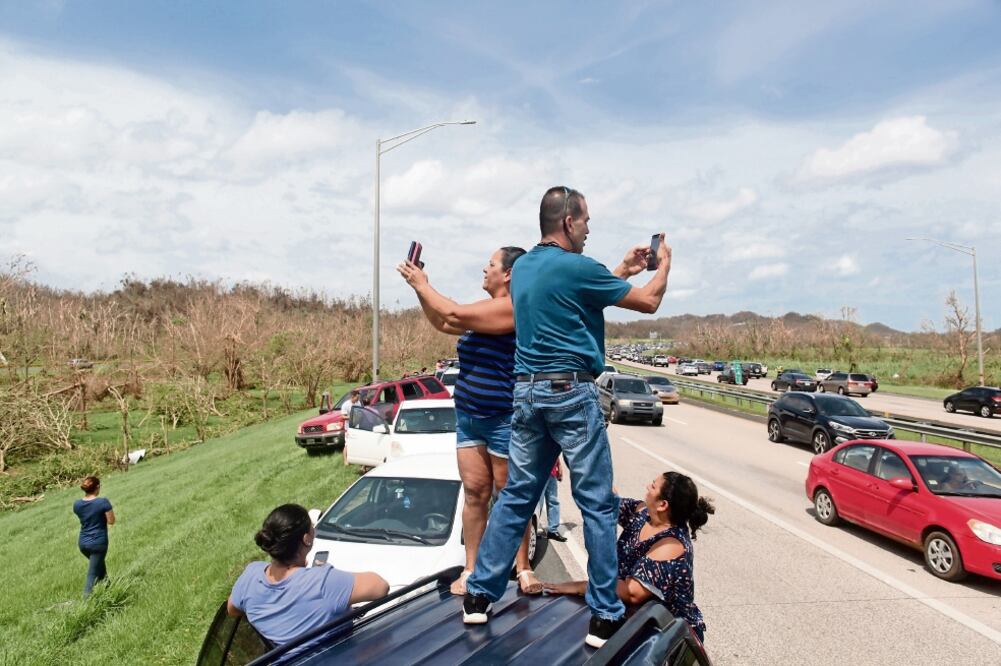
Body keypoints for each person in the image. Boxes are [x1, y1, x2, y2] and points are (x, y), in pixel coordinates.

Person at [462, 186, 671, 649]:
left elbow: (572, 294)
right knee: (595, 501)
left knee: (517, 495)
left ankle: (478, 597)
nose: (590, 228)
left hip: (526, 393)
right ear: (569, 222)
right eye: (587, 221)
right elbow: (649, 302)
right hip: (570, 393)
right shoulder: (580, 267)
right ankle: (604, 616)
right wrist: (664, 263)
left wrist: (622, 268)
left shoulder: (526, 269)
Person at [397, 246, 545, 596]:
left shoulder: (513, 308)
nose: (484, 268)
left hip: (503, 418)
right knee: (476, 494)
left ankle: (522, 567)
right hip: (468, 417)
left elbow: (452, 311)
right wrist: (421, 288)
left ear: (508, 273)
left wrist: (422, 285)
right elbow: (445, 321)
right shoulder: (479, 312)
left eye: (491, 264)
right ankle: (471, 567)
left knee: (510, 495)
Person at [543, 472, 714, 643]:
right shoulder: (643, 514)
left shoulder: (671, 545)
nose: (648, 486)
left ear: (662, 504)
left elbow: (631, 592)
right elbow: (610, 503)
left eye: (653, 486)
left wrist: (578, 586)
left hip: (669, 636)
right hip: (636, 621)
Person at [227, 504, 389, 646]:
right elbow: (380, 586)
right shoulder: (322, 582)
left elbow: (232, 610)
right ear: (306, 539)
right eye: (312, 527)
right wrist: (324, 575)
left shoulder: (250, 575)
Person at [73, 476, 115, 596]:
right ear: (97, 487)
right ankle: (85, 605)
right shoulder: (102, 502)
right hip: (98, 543)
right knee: (92, 574)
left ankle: (110, 590)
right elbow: (111, 521)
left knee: (100, 568)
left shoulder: (77, 505)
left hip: (83, 544)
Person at [544, 460, 566, 542]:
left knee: (553, 501)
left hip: (551, 472)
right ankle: (533, 530)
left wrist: (559, 466)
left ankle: (552, 531)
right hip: (538, 472)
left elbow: (554, 448)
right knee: (537, 503)